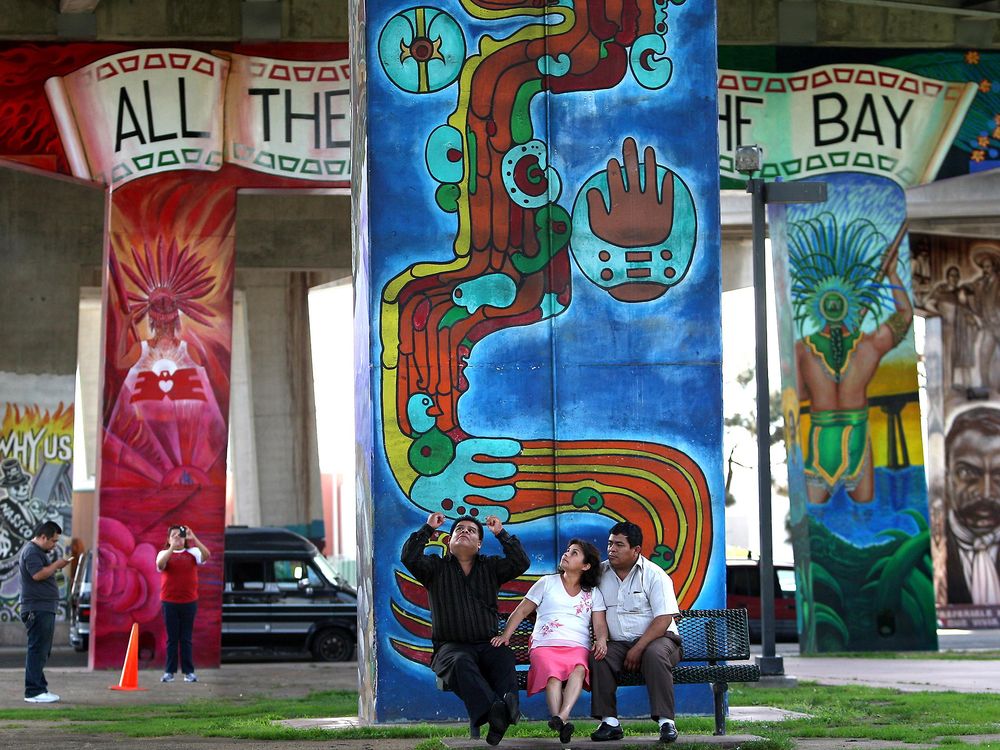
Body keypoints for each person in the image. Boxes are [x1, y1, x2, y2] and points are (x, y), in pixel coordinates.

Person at [793, 227, 912, 503]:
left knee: (821, 515)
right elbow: (905, 315)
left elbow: (799, 394)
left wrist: (822, 387)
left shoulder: (802, 349)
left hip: (822, 436)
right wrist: (892, 274)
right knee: (863, 511)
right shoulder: (870, 345)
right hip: (855, 432)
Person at [401, 512, 529, 746]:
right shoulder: (434, 568)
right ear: (449, 542)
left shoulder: (491, 567)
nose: (464, 531)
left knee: (503, 657)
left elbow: (521, 562)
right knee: (460, 661)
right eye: (459, 529)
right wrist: (428, 528)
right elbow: (409, 557)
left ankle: (503, 708)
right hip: (450, 647)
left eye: (471, 530)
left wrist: (501, 533)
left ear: (479, 544)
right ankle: (497, 711)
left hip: (487, 643)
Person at [491, 539, 609, 744]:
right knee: (553, 676)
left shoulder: (593, 594)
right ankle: (561, 721)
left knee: (580, 669)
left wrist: (601, 640)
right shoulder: (547, 583)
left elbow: (599, 624)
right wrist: (505, 635)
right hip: (544, 645)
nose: (566, 554)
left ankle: (560, 718)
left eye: (574, 553)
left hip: (577, 646)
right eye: (567, 551)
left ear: (586, 565)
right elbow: (522, 611)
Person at [589, 521, 682, 744]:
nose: (612, 549)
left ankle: (666, 722)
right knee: (600, 655)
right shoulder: (599, 573)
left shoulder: (654, 575)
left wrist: (639, 648)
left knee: (654, 654)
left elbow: (663, 619)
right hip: (619, 644)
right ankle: (609, 722)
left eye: (619, 545)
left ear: (636, 550)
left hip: (660, 640)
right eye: (610, 543)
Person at [943, 407, 1000, 605]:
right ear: (946, 476)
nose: (985, 493)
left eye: (999, 475)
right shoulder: (928, 550)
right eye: (967, 473)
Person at [19, 520, 70, 703]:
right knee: (38, 649)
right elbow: (37, 575)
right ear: (42, 537)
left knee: (41, 649)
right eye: (53, 541)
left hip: (42, 608)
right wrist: (57, 565)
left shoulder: (37, 551)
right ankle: (34, 691)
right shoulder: (32, 551)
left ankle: (39, 688)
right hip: (37, 608)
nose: (54, 545)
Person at [156, 524, 210, 683]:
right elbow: (160, 565)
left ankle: (189, 672)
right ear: (168, 538)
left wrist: (194, 539)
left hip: (189, 602)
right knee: (172, 639)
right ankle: (169, 672)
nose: (177, 538)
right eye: (173, 535)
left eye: (179, 535)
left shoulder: (192, 552)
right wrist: (172, 547)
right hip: (169, 602)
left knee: (186, 638)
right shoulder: (163, 553)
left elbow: (206, 555)